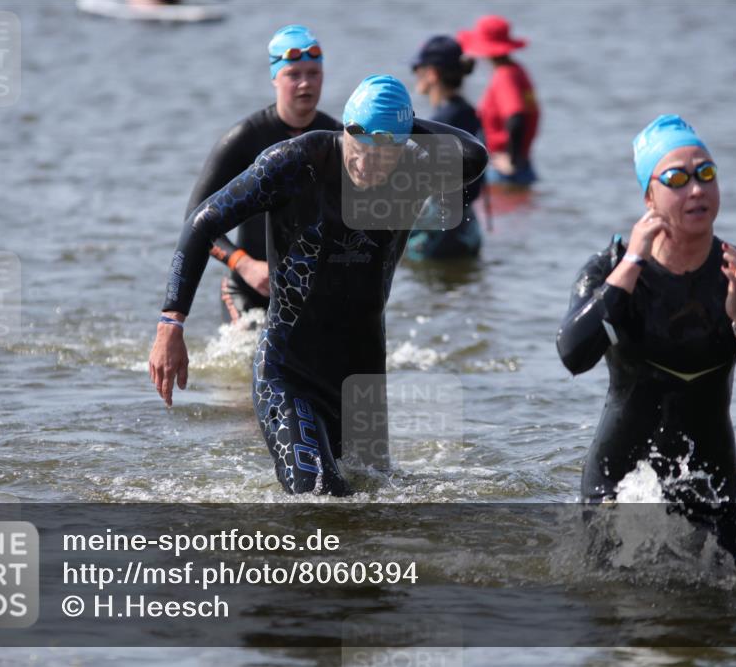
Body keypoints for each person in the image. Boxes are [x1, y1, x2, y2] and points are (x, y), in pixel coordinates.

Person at [150, 75, 488, 496]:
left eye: (382, 155)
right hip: (289, 367)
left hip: (361, 374)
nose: (365, 165)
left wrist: (405, 122)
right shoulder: (296, 162)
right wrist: (171, 322)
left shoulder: (415, 170)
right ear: (345, 129)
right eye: (358, 146)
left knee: (376, 498)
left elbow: (475, 156)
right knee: (320, 492)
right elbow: (202, 223)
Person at [555, 115, 736, 571]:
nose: (696, 189)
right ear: (649, 196)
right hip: (620, 481)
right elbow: (573, 355)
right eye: (677, 178)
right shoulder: (608, 269)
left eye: (706, 173)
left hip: (713, 481)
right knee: (607, 607)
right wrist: (629, 267)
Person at [184, 25, 341, 325]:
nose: (305, 84)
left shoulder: (336, 137)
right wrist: (242, 264)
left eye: (314, 73)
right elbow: (195, 218)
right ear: (274, 78)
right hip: (249, 287)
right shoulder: (245, 137)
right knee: (249, 365)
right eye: (294, 75)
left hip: (311, 288)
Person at [407, 35, 483, 260]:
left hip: (440, 232)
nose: (414, 75)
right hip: (468, 230)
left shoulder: (440, 123)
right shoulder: (469, 113)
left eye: (415, 68)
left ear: (431, 73)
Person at [458, 15, 540, 187]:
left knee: (503, 212)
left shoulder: (504, 76)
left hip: (504, 168)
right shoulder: (517, 70)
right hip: (521, 162)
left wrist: (511, 161)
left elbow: (516, 117)